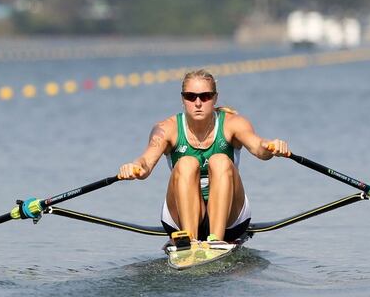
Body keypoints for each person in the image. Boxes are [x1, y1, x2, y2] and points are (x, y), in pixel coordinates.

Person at [117, 69, 289, 244]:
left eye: (205, 96)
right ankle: (189, 240)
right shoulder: (166, 128)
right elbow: (145, 162)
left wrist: (270, 146)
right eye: (190, 97)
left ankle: (216, 240)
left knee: (220, 160)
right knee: (186, 163)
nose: (197, 103)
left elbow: (259, 148)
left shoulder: (233, 123)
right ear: (182, 99)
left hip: (230, 219)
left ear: (215, 98)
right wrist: (134, 167)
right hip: (180, 218)